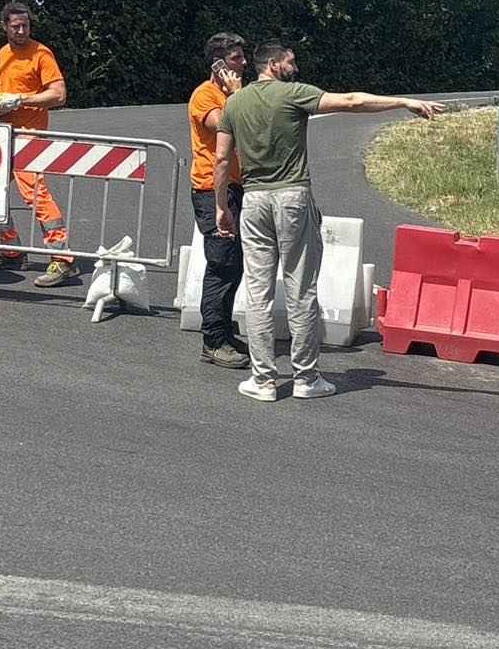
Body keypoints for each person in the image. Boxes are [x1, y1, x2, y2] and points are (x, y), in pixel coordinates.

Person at [215, 40, 440, 401]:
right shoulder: (292, 94)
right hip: (292, 197)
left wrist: (221, 206)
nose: (296, 67)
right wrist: (403, 101)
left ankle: (263, 381)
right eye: (291, 61)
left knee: (257, 292)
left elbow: (222, 160)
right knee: (300, 288)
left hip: (253, 200)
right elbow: (351, 101)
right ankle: (305, 378)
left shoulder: (233, 102)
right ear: (273, 64)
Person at [0, 1, 75, 286]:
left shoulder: (41, 54)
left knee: (34, 193)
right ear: (4, 27)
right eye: (16, 26)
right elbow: (4, 90)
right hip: (4, 133)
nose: (21, 31)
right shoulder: (3, 53)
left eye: (26, 26)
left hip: (30, 135)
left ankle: (62, 258)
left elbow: (58, 95)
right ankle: (11, 251)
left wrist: (20, 99)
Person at [186, 32, 249, 369]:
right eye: (237, 58)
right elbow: (226, 125)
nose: (244, 63)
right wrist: (237, 97)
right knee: (222, 264)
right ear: (219, 64)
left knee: (234, 264)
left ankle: (223, 331)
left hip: (234, 186)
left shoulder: (230, 95)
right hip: (211, 189)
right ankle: (212, 340)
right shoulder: (204, 95)